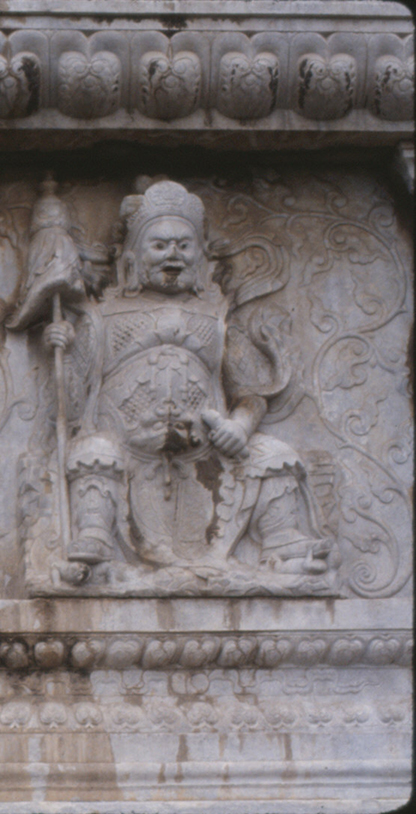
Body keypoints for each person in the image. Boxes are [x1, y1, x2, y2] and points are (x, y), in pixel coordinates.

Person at [40, 179, 331, 582]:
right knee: (93, 449)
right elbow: (71, 406)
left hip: (204, 462)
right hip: (129, 452)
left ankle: (283, 542)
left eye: (183, 244)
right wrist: (65, 350)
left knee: (272, 453)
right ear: (132, 256)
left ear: (200, 256)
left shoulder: (217, 319)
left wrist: (239, 427)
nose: (172, 254)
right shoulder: (98, 317)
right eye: (159, 245)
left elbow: (250, 394)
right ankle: (95, 532)